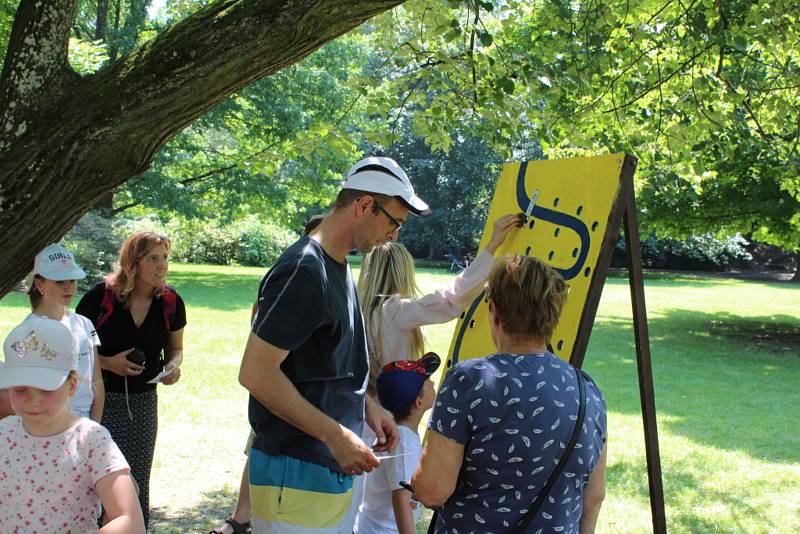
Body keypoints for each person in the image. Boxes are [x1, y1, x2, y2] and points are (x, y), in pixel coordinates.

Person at [238, 156, 429, 533]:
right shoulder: (304, 270)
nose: (394, 236)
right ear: (362, 206)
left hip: (328, 472)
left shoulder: (337, 265)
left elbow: (327, 367)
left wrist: (369, 407)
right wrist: (335, 435)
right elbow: (256, 372)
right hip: (293, 472)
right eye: (394, 223)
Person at [411, 255, 608, 533]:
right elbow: (594, 496)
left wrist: (416, 480)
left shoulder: (469, 381)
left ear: (496, 313)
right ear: (552, 317)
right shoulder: (587, 390)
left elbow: (433, 490)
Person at [211, 214, 326, 534]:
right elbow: (258, 338)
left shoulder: (323, 277)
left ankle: (244, 517)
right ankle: (244, 517)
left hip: (296, 394)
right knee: (261, 447)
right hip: (281, 390)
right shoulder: (297, 274)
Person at [76, 231, 187, 528]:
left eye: (165, 258)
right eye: (153, 259)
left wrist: (173, 367)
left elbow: (175, 349)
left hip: (143, 404)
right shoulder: (99, 298)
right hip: (98, 402)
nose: (162, 266)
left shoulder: (171, 302)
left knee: (136, 476)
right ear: (132, 263)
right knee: (96, 477)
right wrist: (108, 363)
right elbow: (74, 352)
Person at [0, 315, 145, 533]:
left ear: (72, 385)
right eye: (20, 389)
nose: (33, 401)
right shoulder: (4, 433)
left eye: (47, 389)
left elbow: (130, 520)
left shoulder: (91, 440)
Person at [353, 354, 439, 534]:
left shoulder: (398, 435)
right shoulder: (404, 442)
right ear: (418, 401)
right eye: (427, 381)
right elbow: (402, 500)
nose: (432, 383)